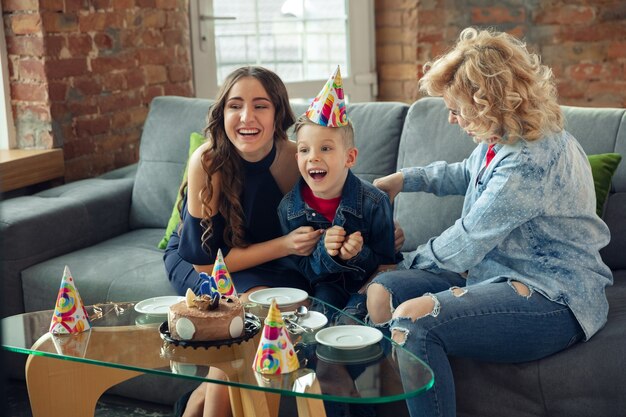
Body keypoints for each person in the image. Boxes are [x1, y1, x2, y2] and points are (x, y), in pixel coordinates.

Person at [366, 27, 613, 417]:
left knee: (414, 323)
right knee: (382, 292)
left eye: (458, 108)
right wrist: (405, 178)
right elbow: (465, 172)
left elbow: (468, 240)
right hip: (495, 274)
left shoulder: (529, 161)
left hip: (554, 297)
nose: (451, 118)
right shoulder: (504, 135)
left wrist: (405, 259)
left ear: (489, 103)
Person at [164, 65, 404, 417]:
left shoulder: (298, 157)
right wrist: (286, 245)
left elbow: (341, 200)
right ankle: (207, 401)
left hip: (276, 265)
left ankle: (201, 396)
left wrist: (381, 231)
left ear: (277, 112)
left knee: (289, 316)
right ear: (223, 112)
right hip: (204, 262)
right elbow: (204, 261)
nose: (247, 116)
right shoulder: (207, 160)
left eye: (260, 105)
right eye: (235, 105)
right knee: (245, 323)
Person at [278, 67, 398, 323]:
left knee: (353, 320)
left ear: (349, 157)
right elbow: (302, 273)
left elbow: (387, 267)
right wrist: (325, 250)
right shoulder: (289, 208)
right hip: (324, 288)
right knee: (317, 321)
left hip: (365, 287)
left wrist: (357, 254)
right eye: (304, 149)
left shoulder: (375, 202)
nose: (314, 157)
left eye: (325, 148)